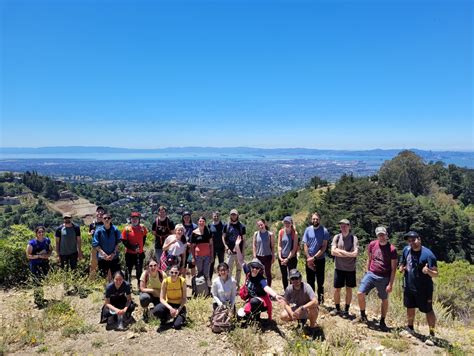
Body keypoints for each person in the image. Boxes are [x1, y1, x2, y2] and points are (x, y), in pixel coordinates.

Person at [234, 235, 284, 322]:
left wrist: (275, 295)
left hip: (261, 302)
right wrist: (237, 246)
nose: (254, 269)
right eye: (253, 267)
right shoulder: (248, 272)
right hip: (251, 300)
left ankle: (256, 318)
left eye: (257, 268)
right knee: (240, 317)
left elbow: (266, 287)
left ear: (260, 269)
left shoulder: (261, 279)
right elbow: (241, 260)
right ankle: (251, 316)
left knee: (254, 302)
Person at [356, 226, 398, 331]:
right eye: (379, 235)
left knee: (384, 299)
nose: (381, 237)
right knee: (360, 293)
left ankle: (382, 321)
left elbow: (393, 269)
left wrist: (390, 284)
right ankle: (363, 315)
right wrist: (367, 271)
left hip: (384, 277)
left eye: (383, 235)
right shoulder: (372, 244)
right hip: (372, 273)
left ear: (387, 235)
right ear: (377, 236)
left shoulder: (392, 249)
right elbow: (369, 259)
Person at [399, 231, 438, 337]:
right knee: (410, 307)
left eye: (414, 240)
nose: (412, 242)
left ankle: (432, 334)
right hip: (409, 286)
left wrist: (428, 271)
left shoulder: (428, 255)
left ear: (419, 239)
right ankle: (410, 328)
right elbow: (402, 263)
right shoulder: (406, 250)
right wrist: (401, 268)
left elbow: (435, 274)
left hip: (424, 289)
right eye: (409, 241)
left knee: (428, 310)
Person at [330, 219, 359, 317]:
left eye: (345, 226)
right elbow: (333, 252)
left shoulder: (354, 238)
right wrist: (348, 254)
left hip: (350, 269)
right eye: (341, 226)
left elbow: (355, 254)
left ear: (349, 226)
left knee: (349, 289)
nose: (343, 227)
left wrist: (340, 252)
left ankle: (346, 310)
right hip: (338, 268)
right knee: (337, 289)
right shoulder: (337, 237)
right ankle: (337, 309)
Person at [280, 269, 319, 336]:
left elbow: (315, 301)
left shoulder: (307, 287)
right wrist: (291, 313)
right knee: (283, 316)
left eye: (297, 278)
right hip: (298, 308)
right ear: (290, 280)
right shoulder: (289, 289)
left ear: (300, 278)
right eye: (292, 279)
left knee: (314, 308)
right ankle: (301, 321)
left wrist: (302, 308)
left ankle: (312, 327)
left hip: (307, 308)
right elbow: (285, 303)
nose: (295, 280)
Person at [302, 212, 330, 304]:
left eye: (317, 219)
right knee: (310, 281)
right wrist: (308, 257)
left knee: (320, 281)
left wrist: (313, 257)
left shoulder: (324, 231)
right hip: (309, 259)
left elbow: (324, 247)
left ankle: (321, 301)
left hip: (320, 259)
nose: (315, 220)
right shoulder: (307, 230)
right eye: (313, 219)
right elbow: (305, 244)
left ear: (319, 220)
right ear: (311, 220)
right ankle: (312, 300)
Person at [154, 265, 187, 332]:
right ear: (169, 272)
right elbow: (161, 299)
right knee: (156, 310)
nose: (173, 274)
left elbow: (184, 299)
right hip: (169, 304)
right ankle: (165, 318)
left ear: (178, 273)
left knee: (177, 326)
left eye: (176, 273)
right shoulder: (165, 281)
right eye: (172, 272)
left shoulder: (182, 281)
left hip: (179, 306)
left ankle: (179, 317)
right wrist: (170, 308)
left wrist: (178, 310)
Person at [92, 213, 122, 282]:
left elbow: (118, 242)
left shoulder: (115, 230)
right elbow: (95, 244)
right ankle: (105, 290)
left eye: (108, 218)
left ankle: (115, 291)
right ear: (102, 220)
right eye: (105, 218)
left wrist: (113, 254)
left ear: (111, 219)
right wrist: (104, 255)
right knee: (102, 277)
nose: (106, 219)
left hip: (114, 258)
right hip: (102, 258)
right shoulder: (98, 230)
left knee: (116, 276)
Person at [122, 212, 148, 288]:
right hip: (129, 254)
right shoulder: (127, 229)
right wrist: (132, 247)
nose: (134, 220)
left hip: (139, 253)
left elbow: (144, 238)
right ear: (130, 219)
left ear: (139, 219)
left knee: (139, 270)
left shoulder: (143, 228)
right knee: (128, 270)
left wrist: (140, 247)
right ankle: (127, 285)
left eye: (136, 218)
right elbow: (124, 241)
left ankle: (140, 286)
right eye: (133, 218)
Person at [222, 209, 246, 287]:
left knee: (239, 270)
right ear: (230, 215)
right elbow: (223, 237)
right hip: (230, 252)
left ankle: (236, 285)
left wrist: (242, 252)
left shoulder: (242, 226)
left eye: (234, 214)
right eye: (232, 214)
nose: (233, 216)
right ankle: (229, 284)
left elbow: (244, 240)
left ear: (237, 215)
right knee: (228, 269)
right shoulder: (226, 225)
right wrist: (226, 247)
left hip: (239, 252)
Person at [278, 216, 299, 290]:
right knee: (284, 275)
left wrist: (287, 258)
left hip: (291, 258)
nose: (286, 224)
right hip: (282, 257)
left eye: (288, 222)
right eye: (285, 222)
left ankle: (292, 291)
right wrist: (280, 257)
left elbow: (294, 249)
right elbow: (279, 246)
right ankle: (286, 291)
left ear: (291, 223)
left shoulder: (294, 233)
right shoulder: (281, 232)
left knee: (292, 275)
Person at [252, 219, 275, 287]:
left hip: (268, 256)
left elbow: (273, 246)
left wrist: (273, 257)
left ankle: (269, 289)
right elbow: (254, 245)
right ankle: (259, 288)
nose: (260, 226)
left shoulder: (270, 234)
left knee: (268, 273)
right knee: (259, 273)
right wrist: (254, 255)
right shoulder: (256, 234)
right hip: (259, 256)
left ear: (265, 224)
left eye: (261, 224)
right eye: (259, 225)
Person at [191, 216, 213, 283]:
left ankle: (207, 289)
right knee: (199, 272)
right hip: (198, 256)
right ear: (198, 222)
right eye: (200, 221)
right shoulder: (194, 233)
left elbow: (211, 245)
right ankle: (200, 288)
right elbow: (192, 246)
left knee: (206, 273)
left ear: (205, 222)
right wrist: (193, 257)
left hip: (207, 256)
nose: (201, 223)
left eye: (203, 221)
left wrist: (212, 256)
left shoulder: (209, 231)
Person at [89, 206, 105, 278]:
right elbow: (89, 233)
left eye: (102, 212)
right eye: (99, 211)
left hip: (104, 246)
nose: (100, 213)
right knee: (93, 264)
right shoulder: (92, 224)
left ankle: (104, 280)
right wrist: (91, 233)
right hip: (95, 247)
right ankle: (92, 280)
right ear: (96, 213)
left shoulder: (106, 223)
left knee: (104, 263)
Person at [209, 211, 225, 281]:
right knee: (211, 264)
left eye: (217, 216)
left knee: (221, 264)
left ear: (219, 216)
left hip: (221, 248)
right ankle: (209, 280)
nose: (216, 217)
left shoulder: (223, 225)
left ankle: (221, 279)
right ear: (212, 216)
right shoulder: (209, 225)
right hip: (212, 248)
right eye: (215, 216)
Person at [182, 211, 197, 277]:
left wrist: (192, 245)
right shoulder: (181, 226)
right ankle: (183, 281)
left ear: (190, 217)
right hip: (183, 249)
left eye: (188, 217)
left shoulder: (194, 226)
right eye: (185, 217)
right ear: (183, 218)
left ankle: (193, 281)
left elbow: (197, 237)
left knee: (192, 265)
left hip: (192, 248)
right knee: (183, 265)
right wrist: (185, 243)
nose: (187, 219)